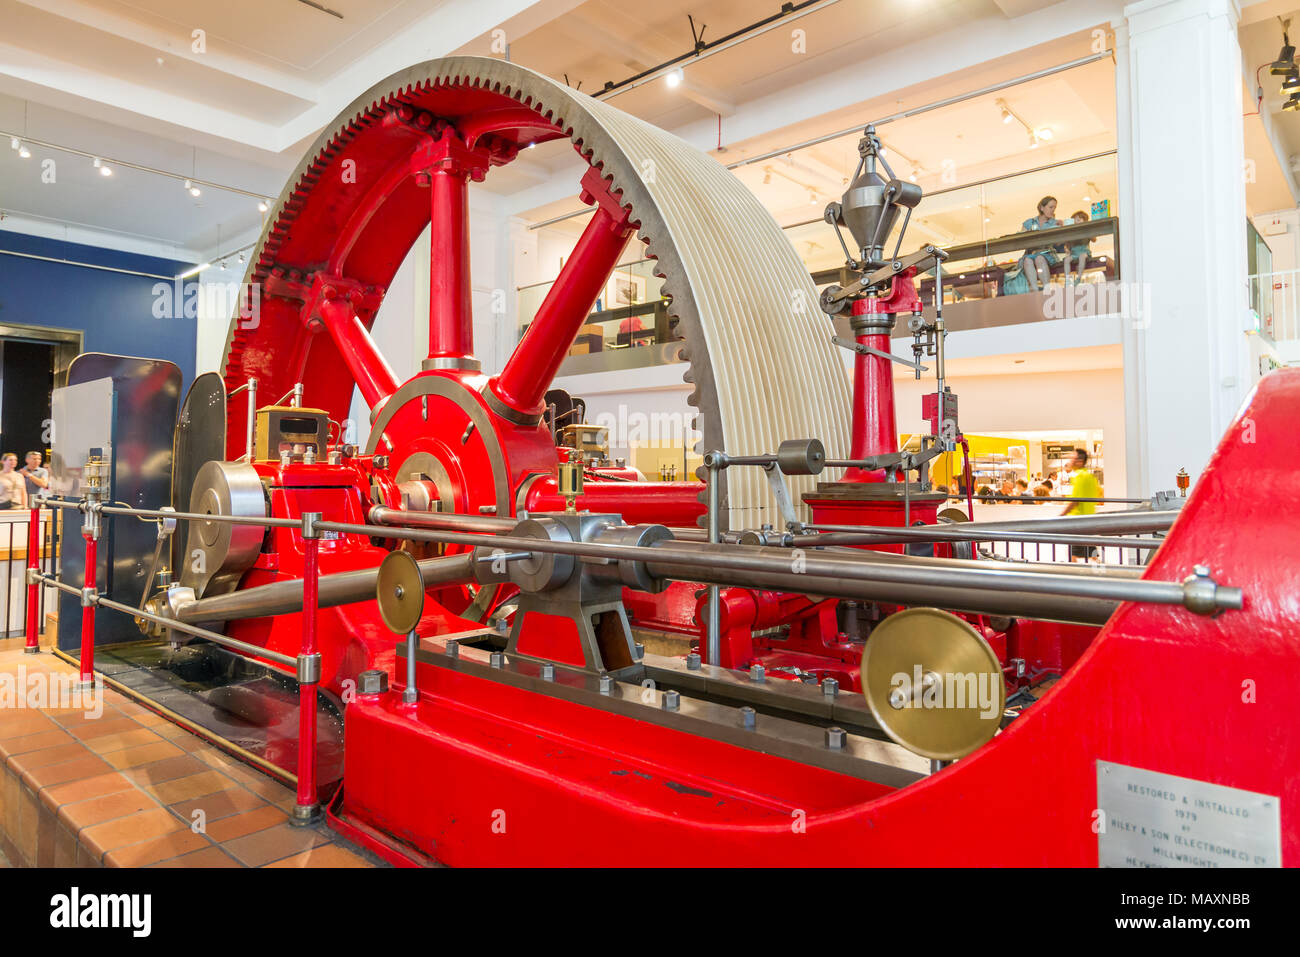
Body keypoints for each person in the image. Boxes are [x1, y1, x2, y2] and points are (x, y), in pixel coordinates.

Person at [1061, 447, 1101, 561]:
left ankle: (1075, 576)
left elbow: (1075, 501)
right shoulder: (1090, 477)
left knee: (1073, 555)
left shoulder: (1079, 476)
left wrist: (1061, 515)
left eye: (1072, 458)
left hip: (1078, 521)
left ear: (1080, 461)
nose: (1070, 461)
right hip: (1088, 520)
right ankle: (1100, 572)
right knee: (1091, 553)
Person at [1018, 196, 1062, 292]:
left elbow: (1058, 243)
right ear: (1042, 208)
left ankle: (1047, 288)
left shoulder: (1055, 223)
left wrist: (1060, 229)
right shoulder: (1029, 222)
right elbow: (1021, 239)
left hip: (1046, 253)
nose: (1053, 210)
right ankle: (1034, 289)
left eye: (1054, 208)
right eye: (1051, 207)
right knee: (1027, 260)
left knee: (1039, 258)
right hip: (1031, 253)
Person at [1065, 210, 1091, 284]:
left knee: (1082, 257)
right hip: (1074, 252)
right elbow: (1068, 243)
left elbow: (1094, 239)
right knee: (1066, 260)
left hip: (1084, 251)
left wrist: (1088, 231)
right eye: (1074, 220)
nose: (1076, 222)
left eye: (1078, 220)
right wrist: (1067, 249)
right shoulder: (1072, 233)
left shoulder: (1086, 230)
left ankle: (1079, 277)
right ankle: (1067, 279)